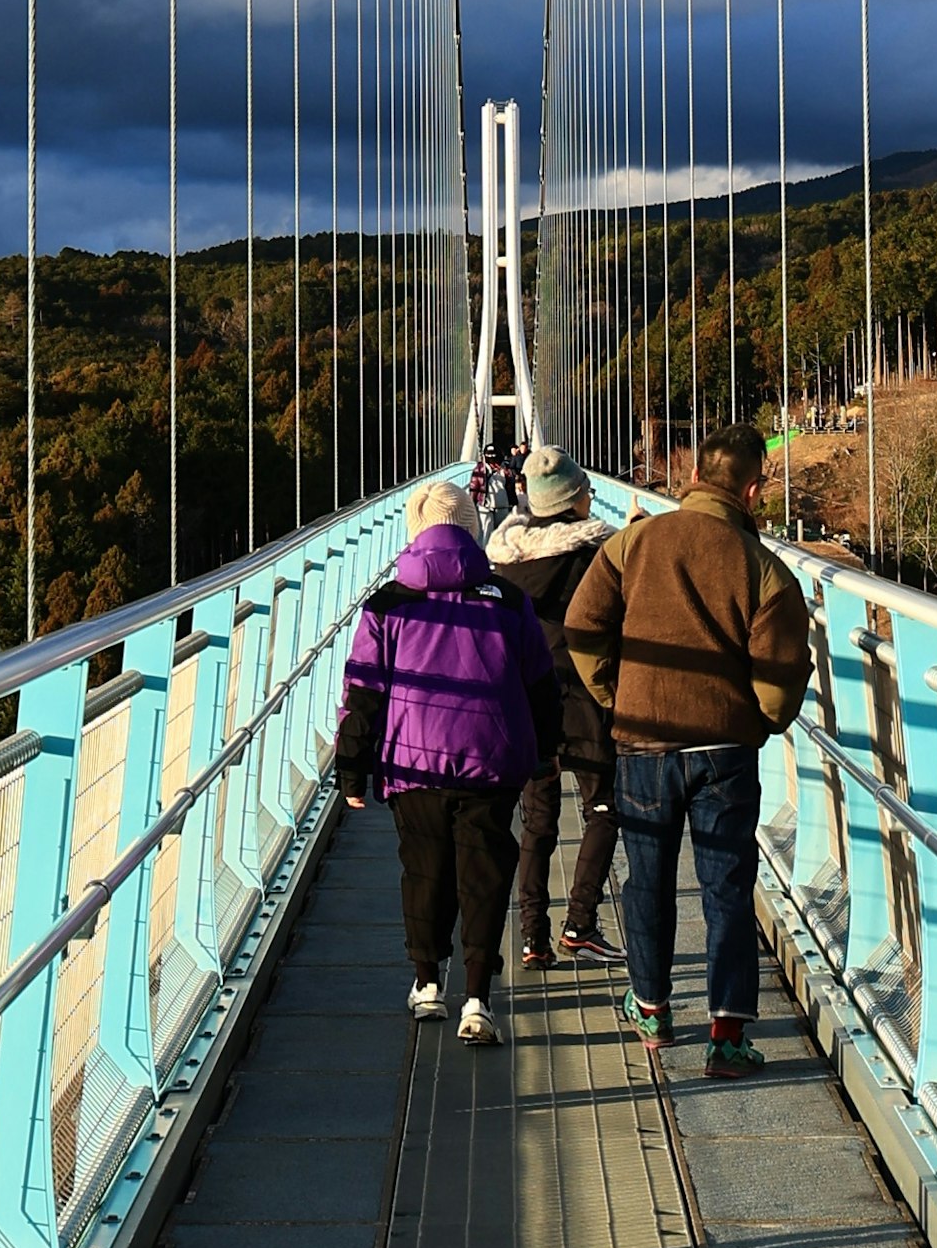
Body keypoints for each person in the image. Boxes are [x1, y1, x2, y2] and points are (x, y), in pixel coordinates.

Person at [565, 421, 811, 1081]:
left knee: (647, 879)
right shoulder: (765, 569)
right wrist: (760, 717)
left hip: (641, 740)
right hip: (725, 750)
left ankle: (652, 1008)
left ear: (695, 476)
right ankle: (727, 1035)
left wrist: (614, 692)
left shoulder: (634, 541)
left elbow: (582, 623)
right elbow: (781, 674)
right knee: (726, 884)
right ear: (754, 489)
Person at [330, 477, 557, 1041]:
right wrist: (546, 753)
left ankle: (428, 984)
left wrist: (352, 767)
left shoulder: (387, 604)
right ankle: (477, 998)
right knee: (484, 875)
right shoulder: (508, 600)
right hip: (493, 761)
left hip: (413, 763)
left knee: (424, 871)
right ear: (473, 530)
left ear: (415, 531)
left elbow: (364, 691)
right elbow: (541, 686)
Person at [487, 449, 615, 973]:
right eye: (584, 490)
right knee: (606, 808)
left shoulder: (504, 565)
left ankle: (532, 938)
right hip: (585, 697)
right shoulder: (596, 558)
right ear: (572, 501)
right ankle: (580, 923)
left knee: (538, 821)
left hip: (528, 699)